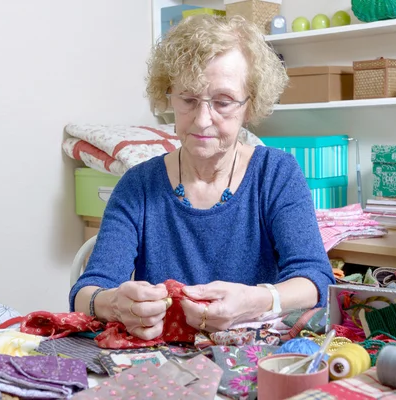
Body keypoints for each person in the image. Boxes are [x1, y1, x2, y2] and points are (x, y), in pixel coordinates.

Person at [70, 14, 335, 341]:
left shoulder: (276, 174)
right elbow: (87, 290)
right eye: (188, 99)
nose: (202, 119)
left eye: (223, 102)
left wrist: (257, 300)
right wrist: (113, 303)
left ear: (249, 106)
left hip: (252, 357)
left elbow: (315, 278)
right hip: (160, 363)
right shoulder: (137, 186)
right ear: (168, 96)